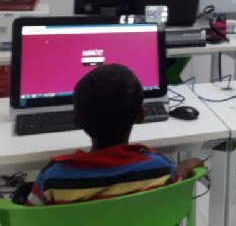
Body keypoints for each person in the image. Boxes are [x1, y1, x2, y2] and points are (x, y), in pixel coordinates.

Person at [24, 64, 204, 205]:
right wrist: (186, 166)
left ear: (76, 120)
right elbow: (176, 179)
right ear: (141, 116)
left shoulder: (52, 180)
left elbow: (31, 217)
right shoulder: (159, 170)